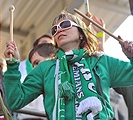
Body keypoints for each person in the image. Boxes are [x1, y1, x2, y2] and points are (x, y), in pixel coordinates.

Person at [4, 11, 133, 120]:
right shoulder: (46, 68)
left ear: (81, 33)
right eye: (55, 29)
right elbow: (16, 100)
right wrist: (13, 65)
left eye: (65, 24)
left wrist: (131, 56)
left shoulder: (101, 61)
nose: (59, 29)